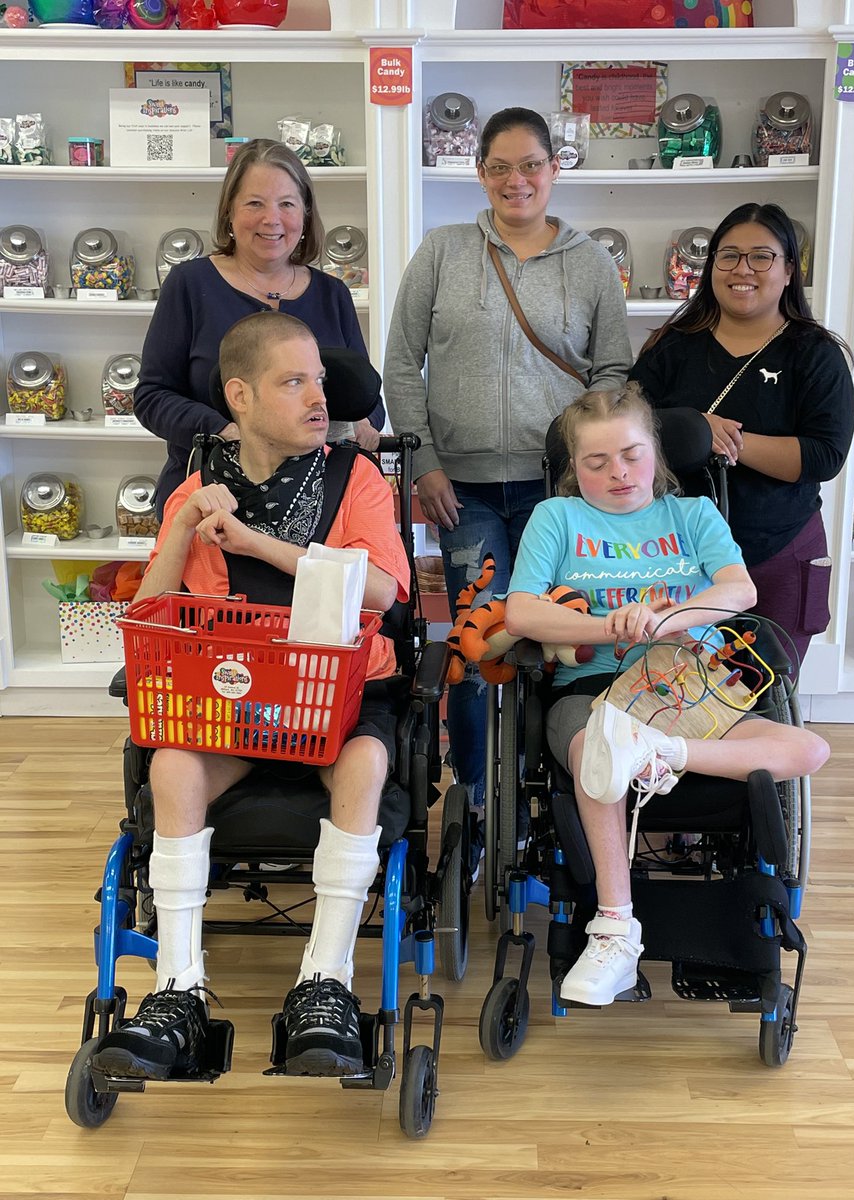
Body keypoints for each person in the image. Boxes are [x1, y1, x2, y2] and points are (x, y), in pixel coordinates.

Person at [92, 311, 409, 1082]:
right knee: (171, 764)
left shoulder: (354, 476)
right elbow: (146, 618)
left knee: (366, 762)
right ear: (240, 395)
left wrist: (258, 544)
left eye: (321, 382)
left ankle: (324, 979)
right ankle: (177, 986)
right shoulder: (198, 488)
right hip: (228, 700)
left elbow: (386, 589)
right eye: (293, 381)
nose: (317, 398)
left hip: (338, 697)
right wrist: (184, 532)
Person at [504, 386, 830, 1007]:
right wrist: (613, 625)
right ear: (575, 468)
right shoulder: (558, 518)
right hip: (595, 690)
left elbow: (740, 592)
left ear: (656, 452)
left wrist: (669, 618)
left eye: (631, 454)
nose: (618, 473)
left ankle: (663, 752)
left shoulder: (694, 515)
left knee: (808, 749)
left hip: (693, 685)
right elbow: (520, 613)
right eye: (596, 463)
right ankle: (615, 930)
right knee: (600, 748)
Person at [383, 105, 632, 822]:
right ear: (480, 172)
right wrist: (424, 461)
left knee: (560, 635)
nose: (516, 180)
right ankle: (477, 796)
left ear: (555, 170)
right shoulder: (442, 250)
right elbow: (402, 363)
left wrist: (590, 471)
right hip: (460, 486)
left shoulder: (588, 263)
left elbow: (612, 374)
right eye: (500, 167)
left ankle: (551, 786)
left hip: (559, 492)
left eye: (531, 165)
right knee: (474, 638)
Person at [629, 202, 854, 666]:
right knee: (674, 697)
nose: (742, 269)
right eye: (727, 255)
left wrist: (733, 442)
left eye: (761, 256)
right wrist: (693, 427)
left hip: (778, 550)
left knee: (764, 694)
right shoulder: (673, 344)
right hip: (676, 555)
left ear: (790, 269)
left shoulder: (814, 353)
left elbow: (824, 456)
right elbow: (627, 424)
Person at [134, 137, 385, 516]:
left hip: (320, 507)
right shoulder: (190, 284)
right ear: (229, 213)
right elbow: (151, 397)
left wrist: (366, 422)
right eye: (255, 203)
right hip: (209, 499)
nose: (272, 219)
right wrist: (226, 430)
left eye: (287, 204)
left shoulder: (332, 294)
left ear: (304, 214)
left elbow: (365, 400)